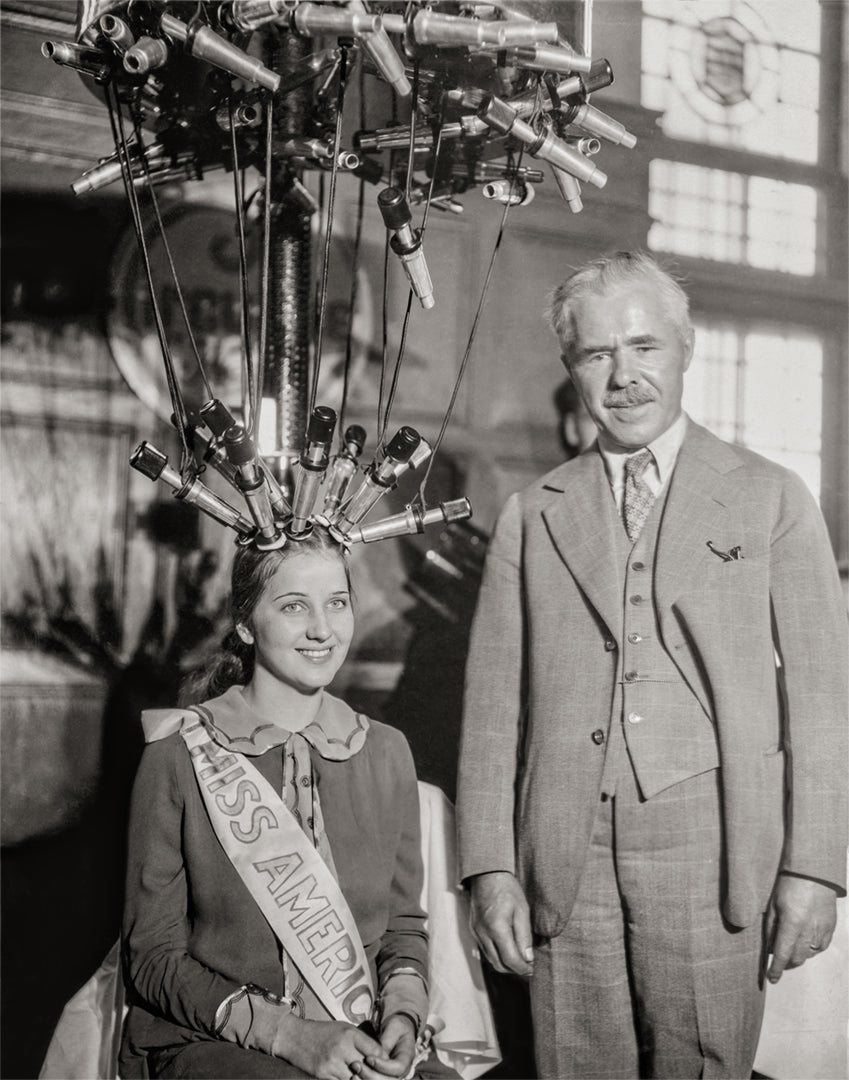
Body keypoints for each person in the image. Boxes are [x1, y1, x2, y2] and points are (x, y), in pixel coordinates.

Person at [456, 250, 848, 1079]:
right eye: (597, 354)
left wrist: (814, 868)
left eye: (644, 347)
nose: (624, 375)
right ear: (571, 369)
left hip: (713, 848)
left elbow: (822, 701)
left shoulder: (770, 497)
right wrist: (491, 868)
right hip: (562, 851)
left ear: (684, 348)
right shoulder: (532, 517)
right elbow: (493, 712)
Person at [120, 526, 456, 1080]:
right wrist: (289, 1035)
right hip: (216, 1042)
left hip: (356, 1036)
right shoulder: (179, 757)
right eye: (295, 606)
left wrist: (403, 1014)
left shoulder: (386, 752)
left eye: (338, 603)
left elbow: (401, 928)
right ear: (246, 624)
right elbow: (153, 959)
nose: (322, 629)